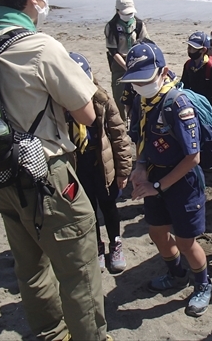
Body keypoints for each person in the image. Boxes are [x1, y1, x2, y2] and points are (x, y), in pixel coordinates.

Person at [0, 0, 108, 340]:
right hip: (46, 173)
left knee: (30, 264)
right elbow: (87, 114)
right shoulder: (40, 47)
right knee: (79, 266)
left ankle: (49, 334)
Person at [120, 43, 212, 318]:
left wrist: (158, 186)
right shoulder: (141, 100)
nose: (140, 85)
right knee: (157, 232)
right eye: (135, 81)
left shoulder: (177, 104)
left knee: (186, 242)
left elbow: (193, 157)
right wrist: (140, 165)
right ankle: (176, 273)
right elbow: (141, 137)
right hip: (153, 174)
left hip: (182, 180)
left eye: (146, 79)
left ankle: (203, 284)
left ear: (163, 72)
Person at [68, 52, 132, 273]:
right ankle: (96, 245)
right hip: (79, 164)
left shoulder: (103, 100)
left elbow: (120, 138)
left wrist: (123, 171)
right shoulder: (61, 104)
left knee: (108, 205)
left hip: (103, 163)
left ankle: (115, 242)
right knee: (87, 209)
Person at [105, 0, 149, 122]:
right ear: (117, 11)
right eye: (126, 13)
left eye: (131, 13)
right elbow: (113, 51)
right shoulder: (111, 26)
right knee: (119, 95)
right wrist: (126, 67)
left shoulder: (139, 24)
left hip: (137, 61)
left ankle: (137, 120)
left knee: (140, 93)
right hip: (119, 64)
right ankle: (122, 122)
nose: (129, 15)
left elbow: (145, 43)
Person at [181, 31, 212, 113]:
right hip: (191, 102)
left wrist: (203, 107)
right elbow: (184, 84)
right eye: (189, 46)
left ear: (203, 50)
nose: (189, 49)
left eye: (193, 48)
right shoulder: (188, 64)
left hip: (208, 106)